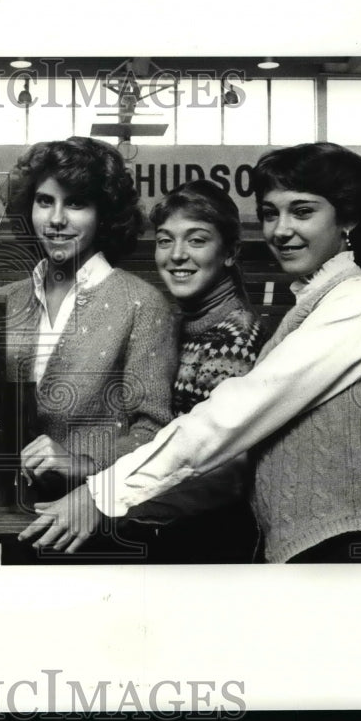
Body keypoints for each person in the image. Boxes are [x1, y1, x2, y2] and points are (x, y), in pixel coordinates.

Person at [21, 142, 361, 563]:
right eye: (271, 213)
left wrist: (102, 494)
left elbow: (229, 420)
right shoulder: (315, 305)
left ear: (348, 218)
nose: (280, 229)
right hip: (314, 548)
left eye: (303, 211)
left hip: (356, 547)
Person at [0, 136, 177, 562]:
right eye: (44, 202)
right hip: (18, 528)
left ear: (104, 215)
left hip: (98, 533)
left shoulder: (141, 303)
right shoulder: (4, 300)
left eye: (76, 203)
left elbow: (154, 432)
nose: (56, 219)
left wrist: (80, 459)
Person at [126, 180, 266, 563]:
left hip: (209, 538)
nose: (176, 255)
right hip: (171, 522)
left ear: (230, 252)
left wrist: (111, 505)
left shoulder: (233, 337)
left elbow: (216, 466)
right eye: (165, 240)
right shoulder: (177, 324)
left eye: (196, 240)